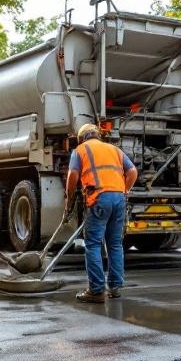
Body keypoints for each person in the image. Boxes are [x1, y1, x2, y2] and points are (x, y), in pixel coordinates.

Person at [65, 123, 138, 304]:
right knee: (115, 244)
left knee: (93, 244)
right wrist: (124, 190)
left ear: (82, 138)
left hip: (99, 198)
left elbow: (72, 175)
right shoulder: (114, 149)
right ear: (98, 135)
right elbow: (132, 172)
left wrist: (69, 200)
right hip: (119, 199)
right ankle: (114, 287)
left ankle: (96, 290)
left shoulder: (80, 150)